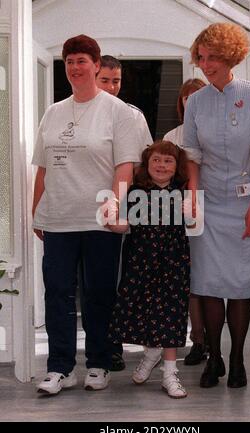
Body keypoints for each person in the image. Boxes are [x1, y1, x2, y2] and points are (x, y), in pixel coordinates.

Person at [32, 34, 142, 395]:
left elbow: (125, 167)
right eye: (70, 61)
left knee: (98, 294)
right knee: (58, 293)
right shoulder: (53, 112)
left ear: (97, 65)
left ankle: (98, 363)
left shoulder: (119, 112)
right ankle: (60, 368)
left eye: (82, 61)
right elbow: (43, 168)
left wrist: (113, 205)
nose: (76, 68)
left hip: (100, 221)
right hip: (59, 219)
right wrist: (37, 211)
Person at [184, 23, 250, 388]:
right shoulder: (196, 101)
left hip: (246, 203)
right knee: (208, 284)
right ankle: (215, 359)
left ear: (231, 56)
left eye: (214, 58)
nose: (206, 65)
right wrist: (193, 194)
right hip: (209, 202)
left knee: (239, 285)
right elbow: (191, 155)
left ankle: (238, 358)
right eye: (202, 58)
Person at [106, 140, 194, 399]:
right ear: (147, 163)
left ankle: (169, 372)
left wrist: (190, 212)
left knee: (171, 312)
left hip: (174, 261)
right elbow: (124, 227)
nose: (162, 165)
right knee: (142, 309)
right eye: (156, 159)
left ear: (177, 166)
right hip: (140, 261)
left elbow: (194, 222)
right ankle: (151, 352)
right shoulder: (136, 191)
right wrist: (109, 220)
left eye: (168, 161)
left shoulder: (184, 190)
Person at [95, 55, 153, 372]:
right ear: (93, 77)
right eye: (106, 80)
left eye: (116, 80)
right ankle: (100, 347)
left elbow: (144, 164)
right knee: (95, 282)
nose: (112, 86)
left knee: (122, 280)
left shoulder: (133, 115)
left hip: (125, 209)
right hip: (88, 207)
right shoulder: (80, 113)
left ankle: (116, 346)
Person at [164, 78, 209, 366]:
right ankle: (197, 340)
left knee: (210, 278)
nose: (191, 102)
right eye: (186, 98)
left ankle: (211, 340)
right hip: (182, 212)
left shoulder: (216, 133)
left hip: (216, 209)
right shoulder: (173, 136)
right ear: (181, 103)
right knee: (188, 280)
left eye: (197, 96)